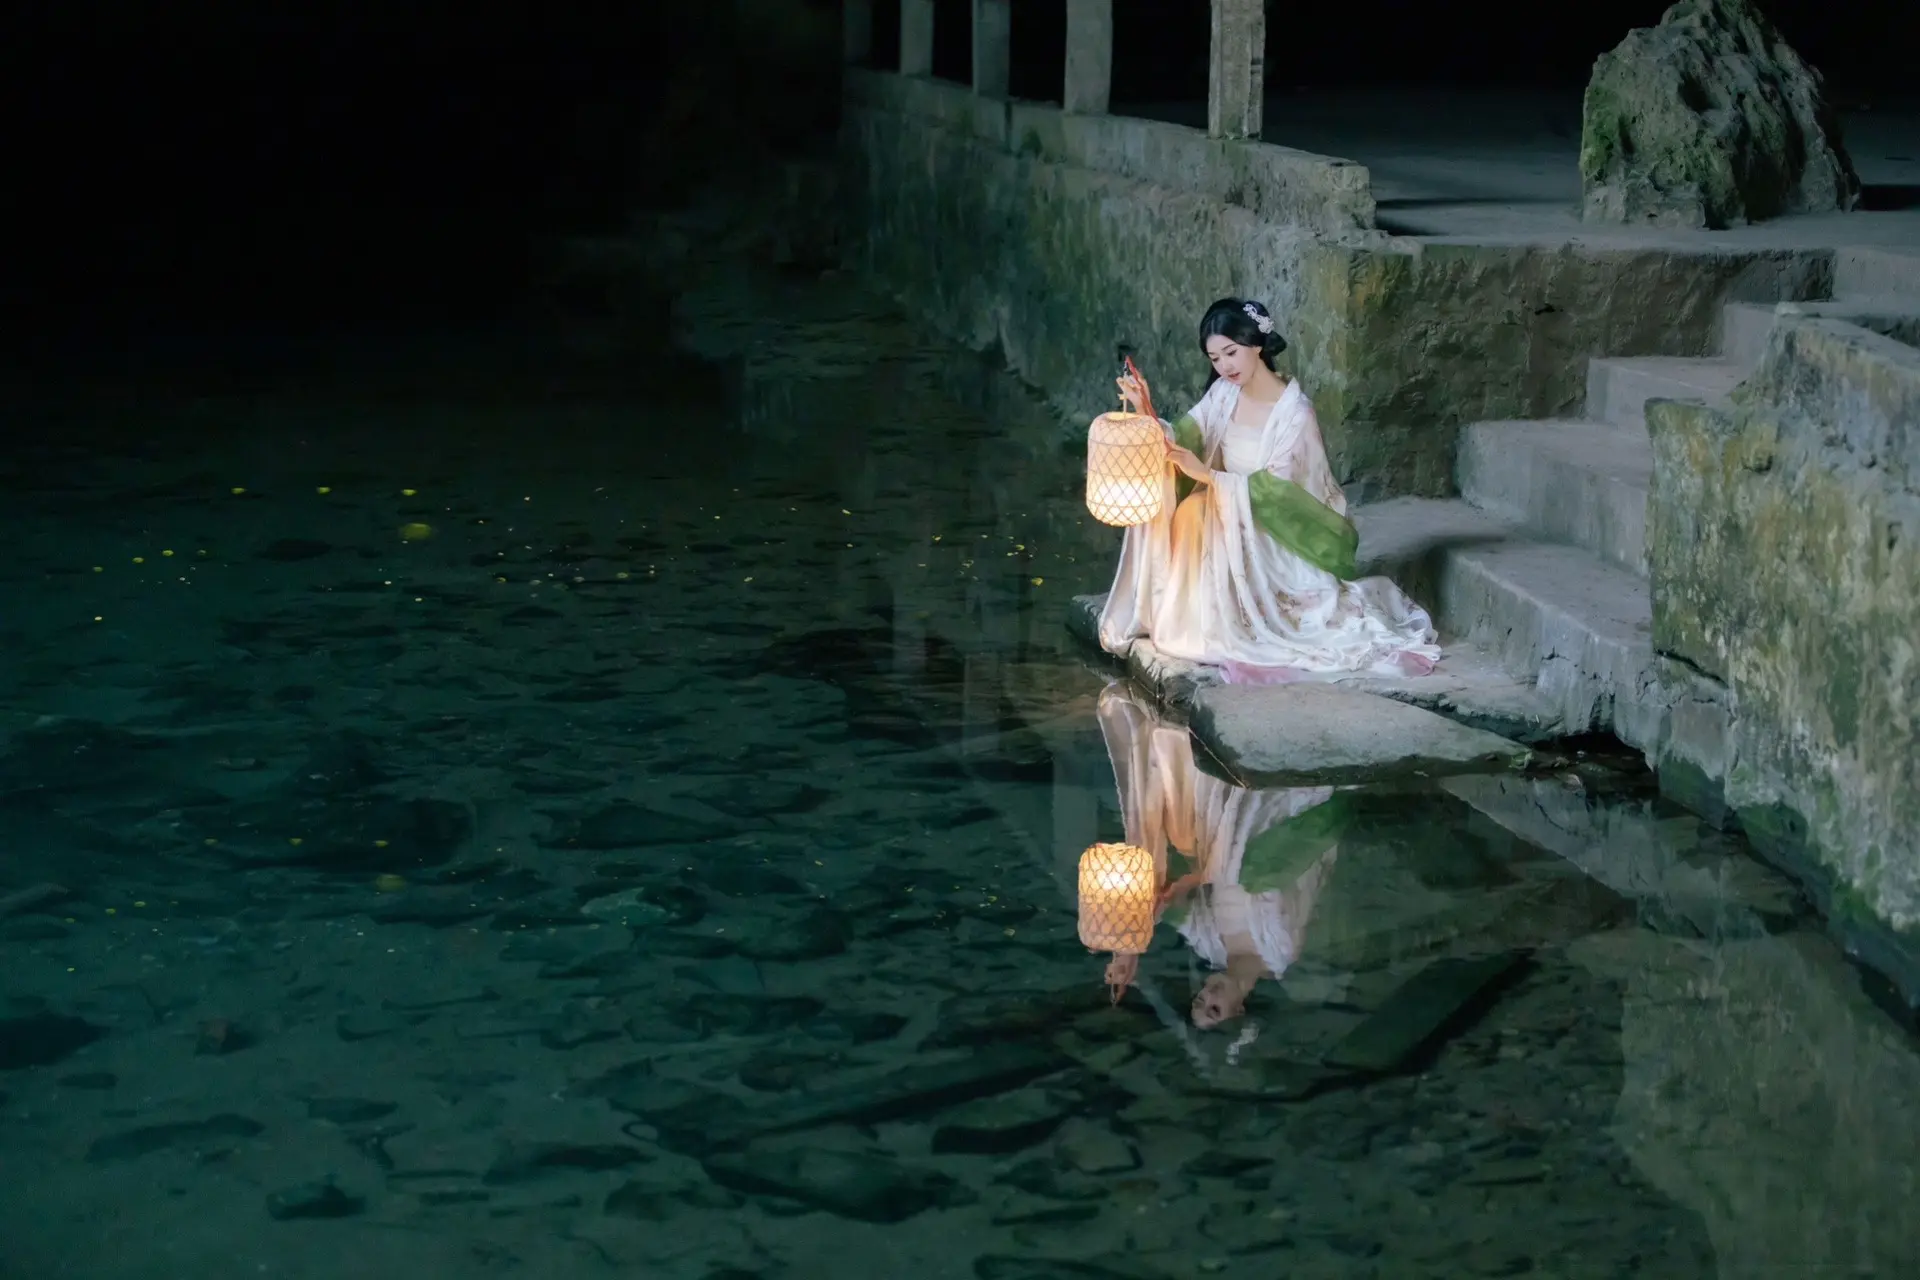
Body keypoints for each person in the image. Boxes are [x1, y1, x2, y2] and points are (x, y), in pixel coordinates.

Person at [1099, 297, 1440, 682]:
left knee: (1196, 509)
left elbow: (1280, 493)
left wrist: (1209, 478)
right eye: (1215, 358)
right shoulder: (1223, 394)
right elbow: (1184, 437)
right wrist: (1145, 411)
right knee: (1192, 509)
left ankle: (1204, 621)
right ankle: (1188, 617)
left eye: (1231, 352)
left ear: (1256, 344)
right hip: (1229, 509)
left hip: (1271, 530)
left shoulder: (1295, 413)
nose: (1224, 366)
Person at [1093, 682, 1342, 1031]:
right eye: (1214, 1009)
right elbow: (1268, 875)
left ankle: (1187, 728)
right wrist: (1196, 878)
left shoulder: (1211, 948)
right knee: (1223, 850)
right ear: (1238, 1010)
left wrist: (1130, 950)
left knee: (1173, 840)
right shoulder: (1281, 949)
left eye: (1200, 1000)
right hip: (1275, 832)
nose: (1208, 994)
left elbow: (1172, 909)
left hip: (1221, 842)